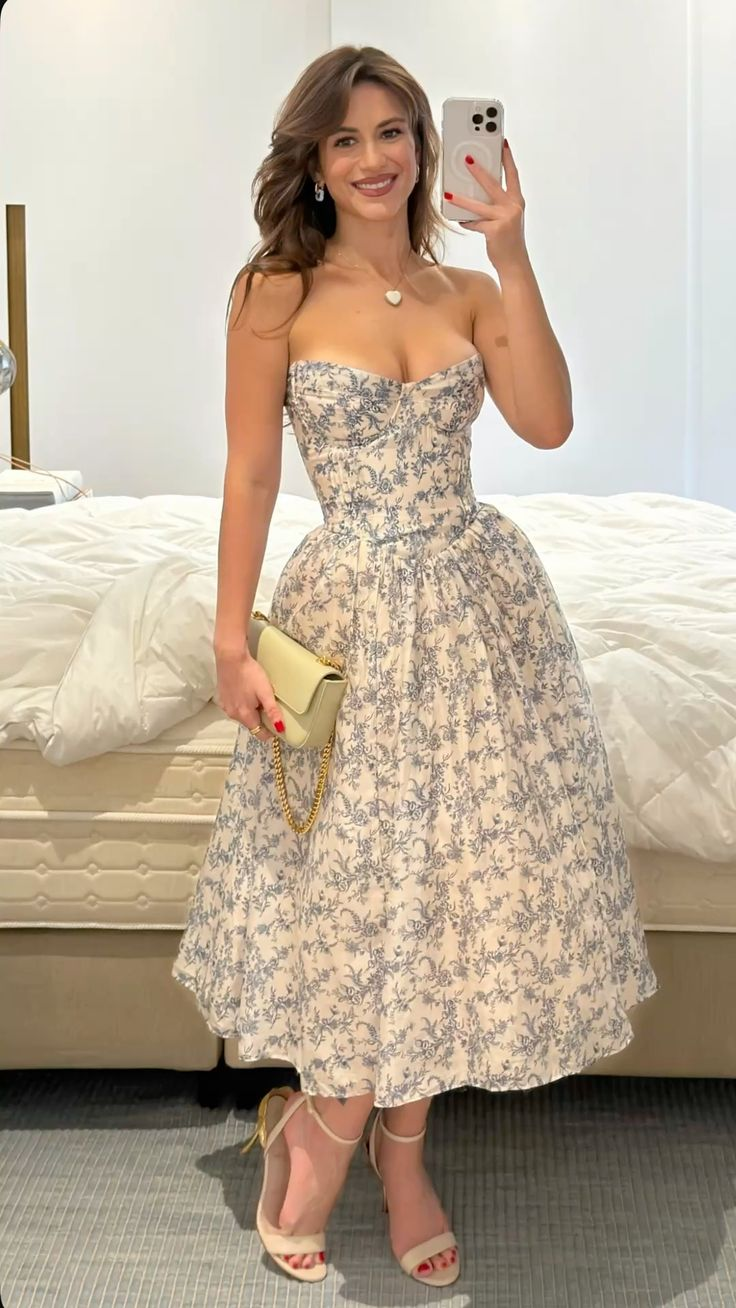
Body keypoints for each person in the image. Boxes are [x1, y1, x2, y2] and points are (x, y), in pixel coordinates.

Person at [172, 43, 660, 1288]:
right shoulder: (274, 294)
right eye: (344, 139)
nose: (373, 157)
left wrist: (513, 249)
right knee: (354, 888)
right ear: (313, 163)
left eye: (391, 131)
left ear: (425, 145)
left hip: (475, 612)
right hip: (344, 616)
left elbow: (546, 421)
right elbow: (251, 471)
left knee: (446, 890)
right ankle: (325, 1130)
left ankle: (397, 1158)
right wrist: (229, 641)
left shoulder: (469, 290)